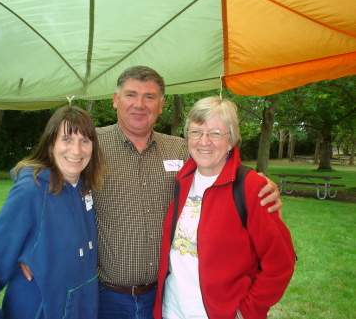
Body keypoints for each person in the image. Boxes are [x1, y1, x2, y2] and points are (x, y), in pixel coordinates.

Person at [92, 66, 283, 319]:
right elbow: (48, 176)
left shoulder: (181, 151)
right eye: (131, 95)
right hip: (108, 296)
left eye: (149, 97)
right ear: (116, 100)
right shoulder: (89, 145)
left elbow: (220, 164)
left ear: (161, 105)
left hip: (161, 295)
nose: (139, 104)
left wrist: (262, 184)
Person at [153, 96, 296, 319]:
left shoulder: (250, 186)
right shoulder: (182, 179)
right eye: (196, 131)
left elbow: (280, 262)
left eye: (215, 133)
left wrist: (247, 312)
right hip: (172, 309)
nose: (204, 141)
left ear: (231, 141)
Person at [0, 106, 105, 319]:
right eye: (67, 139)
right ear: (51, 143)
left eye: (85, 141)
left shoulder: (85, 188)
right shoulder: (31, 191)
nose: (76, 150)